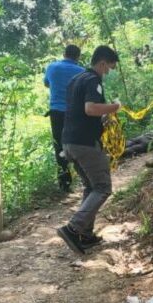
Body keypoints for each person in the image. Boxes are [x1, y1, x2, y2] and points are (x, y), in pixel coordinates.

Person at [57, 45, 121, 253]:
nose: (108, 72)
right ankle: (74, 228)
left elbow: (80, 112)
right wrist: (114, 107)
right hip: (85, 144)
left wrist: (104, 118)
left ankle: (85, 234)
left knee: (90, 187)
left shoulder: (76, 79)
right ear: (102, 63)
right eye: (109, 68)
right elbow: (90, 108)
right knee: (102, 187)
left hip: (69, 142)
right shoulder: (93, 80)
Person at [43, 44, 85, 192]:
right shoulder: (82, 72)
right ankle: (86, 178)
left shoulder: (52, 67)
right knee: (78, 144)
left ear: (64, 54)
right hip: (75, 114)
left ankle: (65, 184)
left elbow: (47, 84)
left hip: (56, 113)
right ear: (78, 57)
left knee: (59, 146)